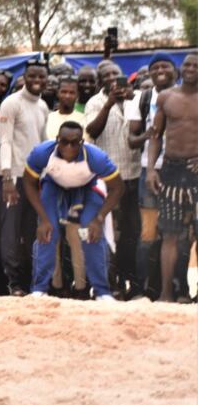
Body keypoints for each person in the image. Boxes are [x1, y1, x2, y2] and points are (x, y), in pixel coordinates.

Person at [24, 122, 123, 300]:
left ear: (82, 142)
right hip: (54, 187)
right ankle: (39, 289)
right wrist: (43, 218)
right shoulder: (42, 153)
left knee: (89, 232)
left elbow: (118, 187)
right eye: (64, 142)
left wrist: (99, 218)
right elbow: (29, 183)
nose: (69, 147)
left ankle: (102, 291)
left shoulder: (96, 157)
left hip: (87, 188)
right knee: (48, 231)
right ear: (57, 141)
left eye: (74, 143)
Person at [84, 61, 141, 297]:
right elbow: (92, 131)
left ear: (123, 77)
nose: (111, 78)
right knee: (110, 235)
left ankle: (133, 284)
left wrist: (127, 99)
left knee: (132, 233)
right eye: (105, 75)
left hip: (135, 175)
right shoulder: (95, 102)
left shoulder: (137, 98)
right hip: (110, 180)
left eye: (115, 74)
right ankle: (111, 284)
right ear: (101, 82)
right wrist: (108, 105)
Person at [145, 52, 198, 302]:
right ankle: (167, 293)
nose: (191, 68)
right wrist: (152, 170)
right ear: (181, 68)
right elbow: (155, 136)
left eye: (196, 65)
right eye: (187, 64)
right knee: (170, 234)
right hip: (171, 170)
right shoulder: (166, 97)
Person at [126, 54, 178, 299]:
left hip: (181, 173)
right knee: (148, 234)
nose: (160, 70)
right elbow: (132, 139)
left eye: (164, 66)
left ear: (174, 71)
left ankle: (176, 290)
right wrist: (149, 135)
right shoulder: (142, 98)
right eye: (154, 67)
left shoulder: (187, 96)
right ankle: (141, 289)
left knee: (178, 234)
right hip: (150, 172)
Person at [0, 60, 50, 296]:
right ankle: (13, 282)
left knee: (30, 232)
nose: (37, 81)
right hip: (13, 178)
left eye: (42, 77)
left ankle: (29, 281)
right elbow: (5, 141)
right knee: (10, 232)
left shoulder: (43, 106)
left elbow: (43, 142)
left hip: (34, 179)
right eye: (33, 76)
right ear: (25, 77)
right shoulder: (11, 103)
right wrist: (7, 176)